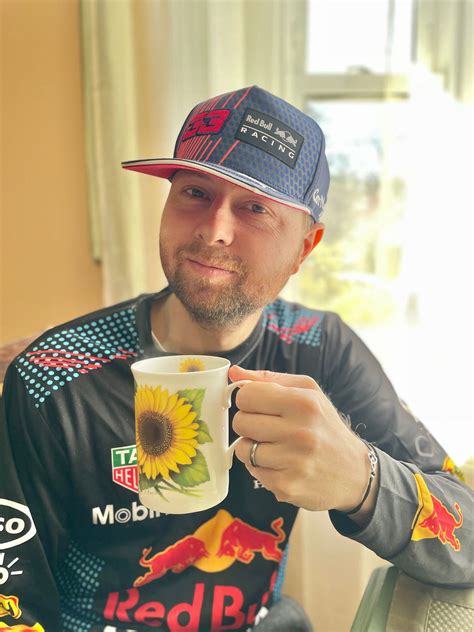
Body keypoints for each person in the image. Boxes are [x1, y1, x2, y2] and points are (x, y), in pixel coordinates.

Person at [0, 85, 472, 632]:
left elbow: (466, 531)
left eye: (255, 207)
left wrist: (363, 482)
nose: (215, 229)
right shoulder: (54, 376)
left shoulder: (319, 349)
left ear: (304, 248)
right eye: (195, 192)